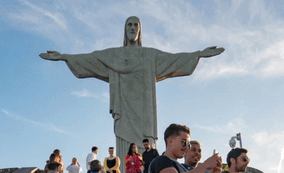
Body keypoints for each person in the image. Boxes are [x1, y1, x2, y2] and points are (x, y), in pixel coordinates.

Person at [40, 16, 224, 161]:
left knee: (147, 149)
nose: (132, 29)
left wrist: (198, 54)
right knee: (125, 147)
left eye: (136, 26)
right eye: (129, 25)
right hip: (125, 111)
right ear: (124, 30)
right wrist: (64, 57)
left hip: (145, 114)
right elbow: (91, 58)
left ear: (140, 30)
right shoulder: (115, 55)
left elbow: (173, 59)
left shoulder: (149, 55)